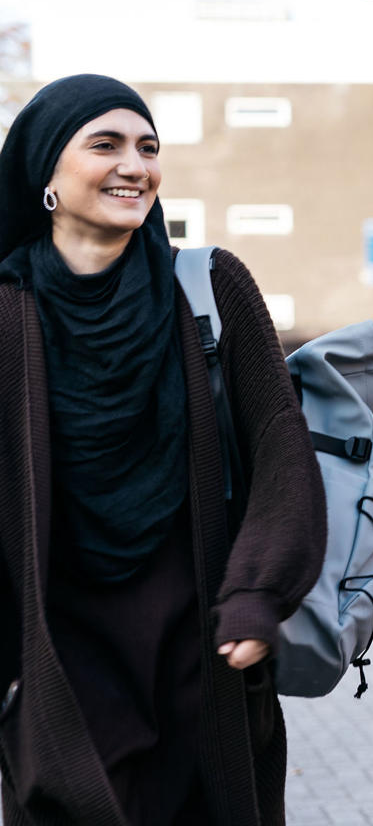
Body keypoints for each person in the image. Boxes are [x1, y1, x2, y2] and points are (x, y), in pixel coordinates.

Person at [0, 74, 326, 825]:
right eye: (105, 145)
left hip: (201, 646)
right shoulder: (8, 314)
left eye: (148, 147)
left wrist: (256, 593)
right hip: (60, 655)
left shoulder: (209, 286)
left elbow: (281, 443)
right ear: (46, 171)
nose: (135, 166)